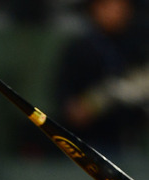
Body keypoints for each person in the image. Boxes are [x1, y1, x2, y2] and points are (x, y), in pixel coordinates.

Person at [54, 0, 149, 154]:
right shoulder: (79, 48)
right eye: (108, 6)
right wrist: (76, 109)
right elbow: (64, 95)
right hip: (91, 138)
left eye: (121, 7)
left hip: (131, 137)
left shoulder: (137, 46)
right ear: (95, 9)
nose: (116, 12)